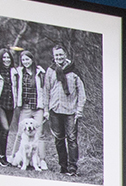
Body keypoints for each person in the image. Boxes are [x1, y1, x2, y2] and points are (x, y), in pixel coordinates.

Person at [43, 44, 86, 177]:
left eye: (61, 55)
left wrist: (79, 110)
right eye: (56, 55)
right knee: (59, 139)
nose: (59, 57)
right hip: (55, 110)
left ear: (65, 55)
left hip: (71, 111)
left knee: (72, 139)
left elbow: (82, 92)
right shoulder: (50, 71)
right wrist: (45, 109)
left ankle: (73, 167)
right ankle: (63, 166)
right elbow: (46, 91)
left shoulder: (74, 71)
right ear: (53, 57)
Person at [6, 49, 43, 171]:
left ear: (32, 60)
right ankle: (13, 156)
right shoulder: (18, 72)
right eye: (23, 60)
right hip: (25, 107)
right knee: (20, 133)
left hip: (38, 107)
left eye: (27, 59)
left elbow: (44, 89)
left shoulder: (39, 72)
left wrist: (45, 108)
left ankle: (40, 160)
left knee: (39, 134)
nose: (25, 62)